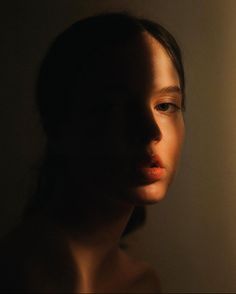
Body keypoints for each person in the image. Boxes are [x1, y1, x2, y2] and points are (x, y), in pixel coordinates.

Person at [0, 12, 185, 293]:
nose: (151, 131)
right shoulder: (18, 274)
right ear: (60, 124)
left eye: (165, 106)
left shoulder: (143, 283)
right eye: (115, 106)